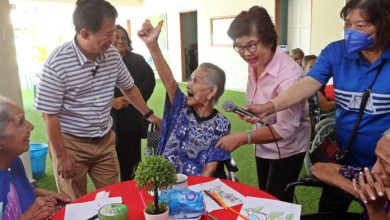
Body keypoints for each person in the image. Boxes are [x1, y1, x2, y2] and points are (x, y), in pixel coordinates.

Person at [243, 0, 390, 212]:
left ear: (383, 24)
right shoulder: (336, 52)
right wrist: (270, 106)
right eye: (347, 23)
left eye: (360, 26)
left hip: (384, 166)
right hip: (344, 158)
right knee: (330, 210)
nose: (350, 31)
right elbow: (309, 83)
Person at [34, 0, 161, 200]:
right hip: (71, 144)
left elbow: (129, 87)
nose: (114, 39)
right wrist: (61, 156)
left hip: (104, 140)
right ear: (85, 33)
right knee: (74, 203)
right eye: (108, 33)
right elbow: (49, 115)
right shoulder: (57, 63)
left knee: (113, 198)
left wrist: (149, 114)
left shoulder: (111, 55)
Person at [216, 6, 311, 202]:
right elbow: (262, 106)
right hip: (263, 144)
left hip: (287, 149)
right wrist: (256, 115)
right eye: (239, 47)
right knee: (264, 197)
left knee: (277, 203)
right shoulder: (254, 64)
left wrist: (243, 138)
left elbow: (285, 130)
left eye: (251, 45)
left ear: (269, 39)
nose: (245, 53)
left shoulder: (289, 75)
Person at [138, 19, 231, 177]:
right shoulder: (181, 106)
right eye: (190, 79)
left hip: (195, 189)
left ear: (211, 91)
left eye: (195, 80)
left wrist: (192, 195)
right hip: (166, 181)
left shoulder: (221, 124)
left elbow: (210, 168)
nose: (188, 85)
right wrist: (152, 45)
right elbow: (170, 83)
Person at [0, 96, 70, 220]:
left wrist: (48, 195)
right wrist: (29, 217)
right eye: (20, 122)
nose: (31, 126)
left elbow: (21, 189)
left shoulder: (13, 161)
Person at [310, 128, 390, 219]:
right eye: (377, 159)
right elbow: (317, 168)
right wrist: (356, 190)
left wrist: (376, 210)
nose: (375, 170)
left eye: (384, 163)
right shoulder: (373, 179)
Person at [111, 24, 156, 181]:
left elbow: (149, 82)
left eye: (123, 38)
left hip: (132, 118)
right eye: (116, 37)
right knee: (112, 163)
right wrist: (112, 102)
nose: (120, 41)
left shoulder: (137, 59)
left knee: (132, 161)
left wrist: (129, 100)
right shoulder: (101, 61)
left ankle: (133, 185)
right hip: (109, 121)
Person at [302, 55, 335, 127]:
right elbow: (325, 107)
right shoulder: (312, 84)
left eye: (317, 67)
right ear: (304, 69)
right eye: (311, 67)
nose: (315, 70)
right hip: (315, 124)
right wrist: (341, 103)